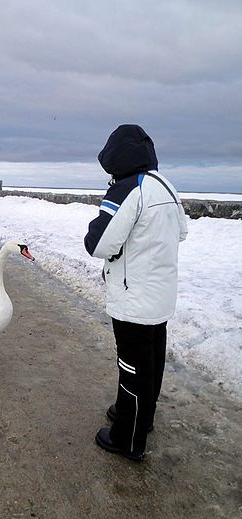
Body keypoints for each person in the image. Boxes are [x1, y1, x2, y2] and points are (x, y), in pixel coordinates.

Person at [84, 125, 188, 461]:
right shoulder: (165, 185)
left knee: (132, 366)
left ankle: (128, 439)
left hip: (133, 300)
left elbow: (97, 243)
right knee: (151, 364)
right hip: (160, 296)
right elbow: (182, 232)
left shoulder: (128, 189)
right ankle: (141, 418)